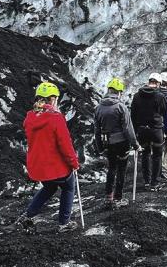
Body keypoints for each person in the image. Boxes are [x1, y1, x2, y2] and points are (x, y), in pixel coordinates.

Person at [21, 81, 81, 230]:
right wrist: (74, 163)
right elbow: (65, 145)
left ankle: (28, 215)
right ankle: (64, 223)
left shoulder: (30, 118)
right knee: (68, 187)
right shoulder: (56, 118)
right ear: (53, 99)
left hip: (38, 167)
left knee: (50, 187)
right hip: (55, 167)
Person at [93, 78, 138, 208]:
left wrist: (99, 147)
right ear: (119, 92)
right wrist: (135, 144)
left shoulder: (98, 108)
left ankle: (108, 197)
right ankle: (118, 198)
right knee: (122, 169)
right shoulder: (121, 107)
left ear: (108, 90)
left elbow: (96, 130)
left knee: (111, 168)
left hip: (107, 143)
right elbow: (128, 128)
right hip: (122, 143)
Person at [130, 75, 165, 191]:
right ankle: (155, 182)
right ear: (158, 83)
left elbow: (133, 115)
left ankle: (146, 181)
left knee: (145, 154)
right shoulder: (159, 96)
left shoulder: (137, 96)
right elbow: (163, 111)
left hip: (142, 129)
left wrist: (135, 131)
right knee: (157, 156)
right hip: (156, 129)